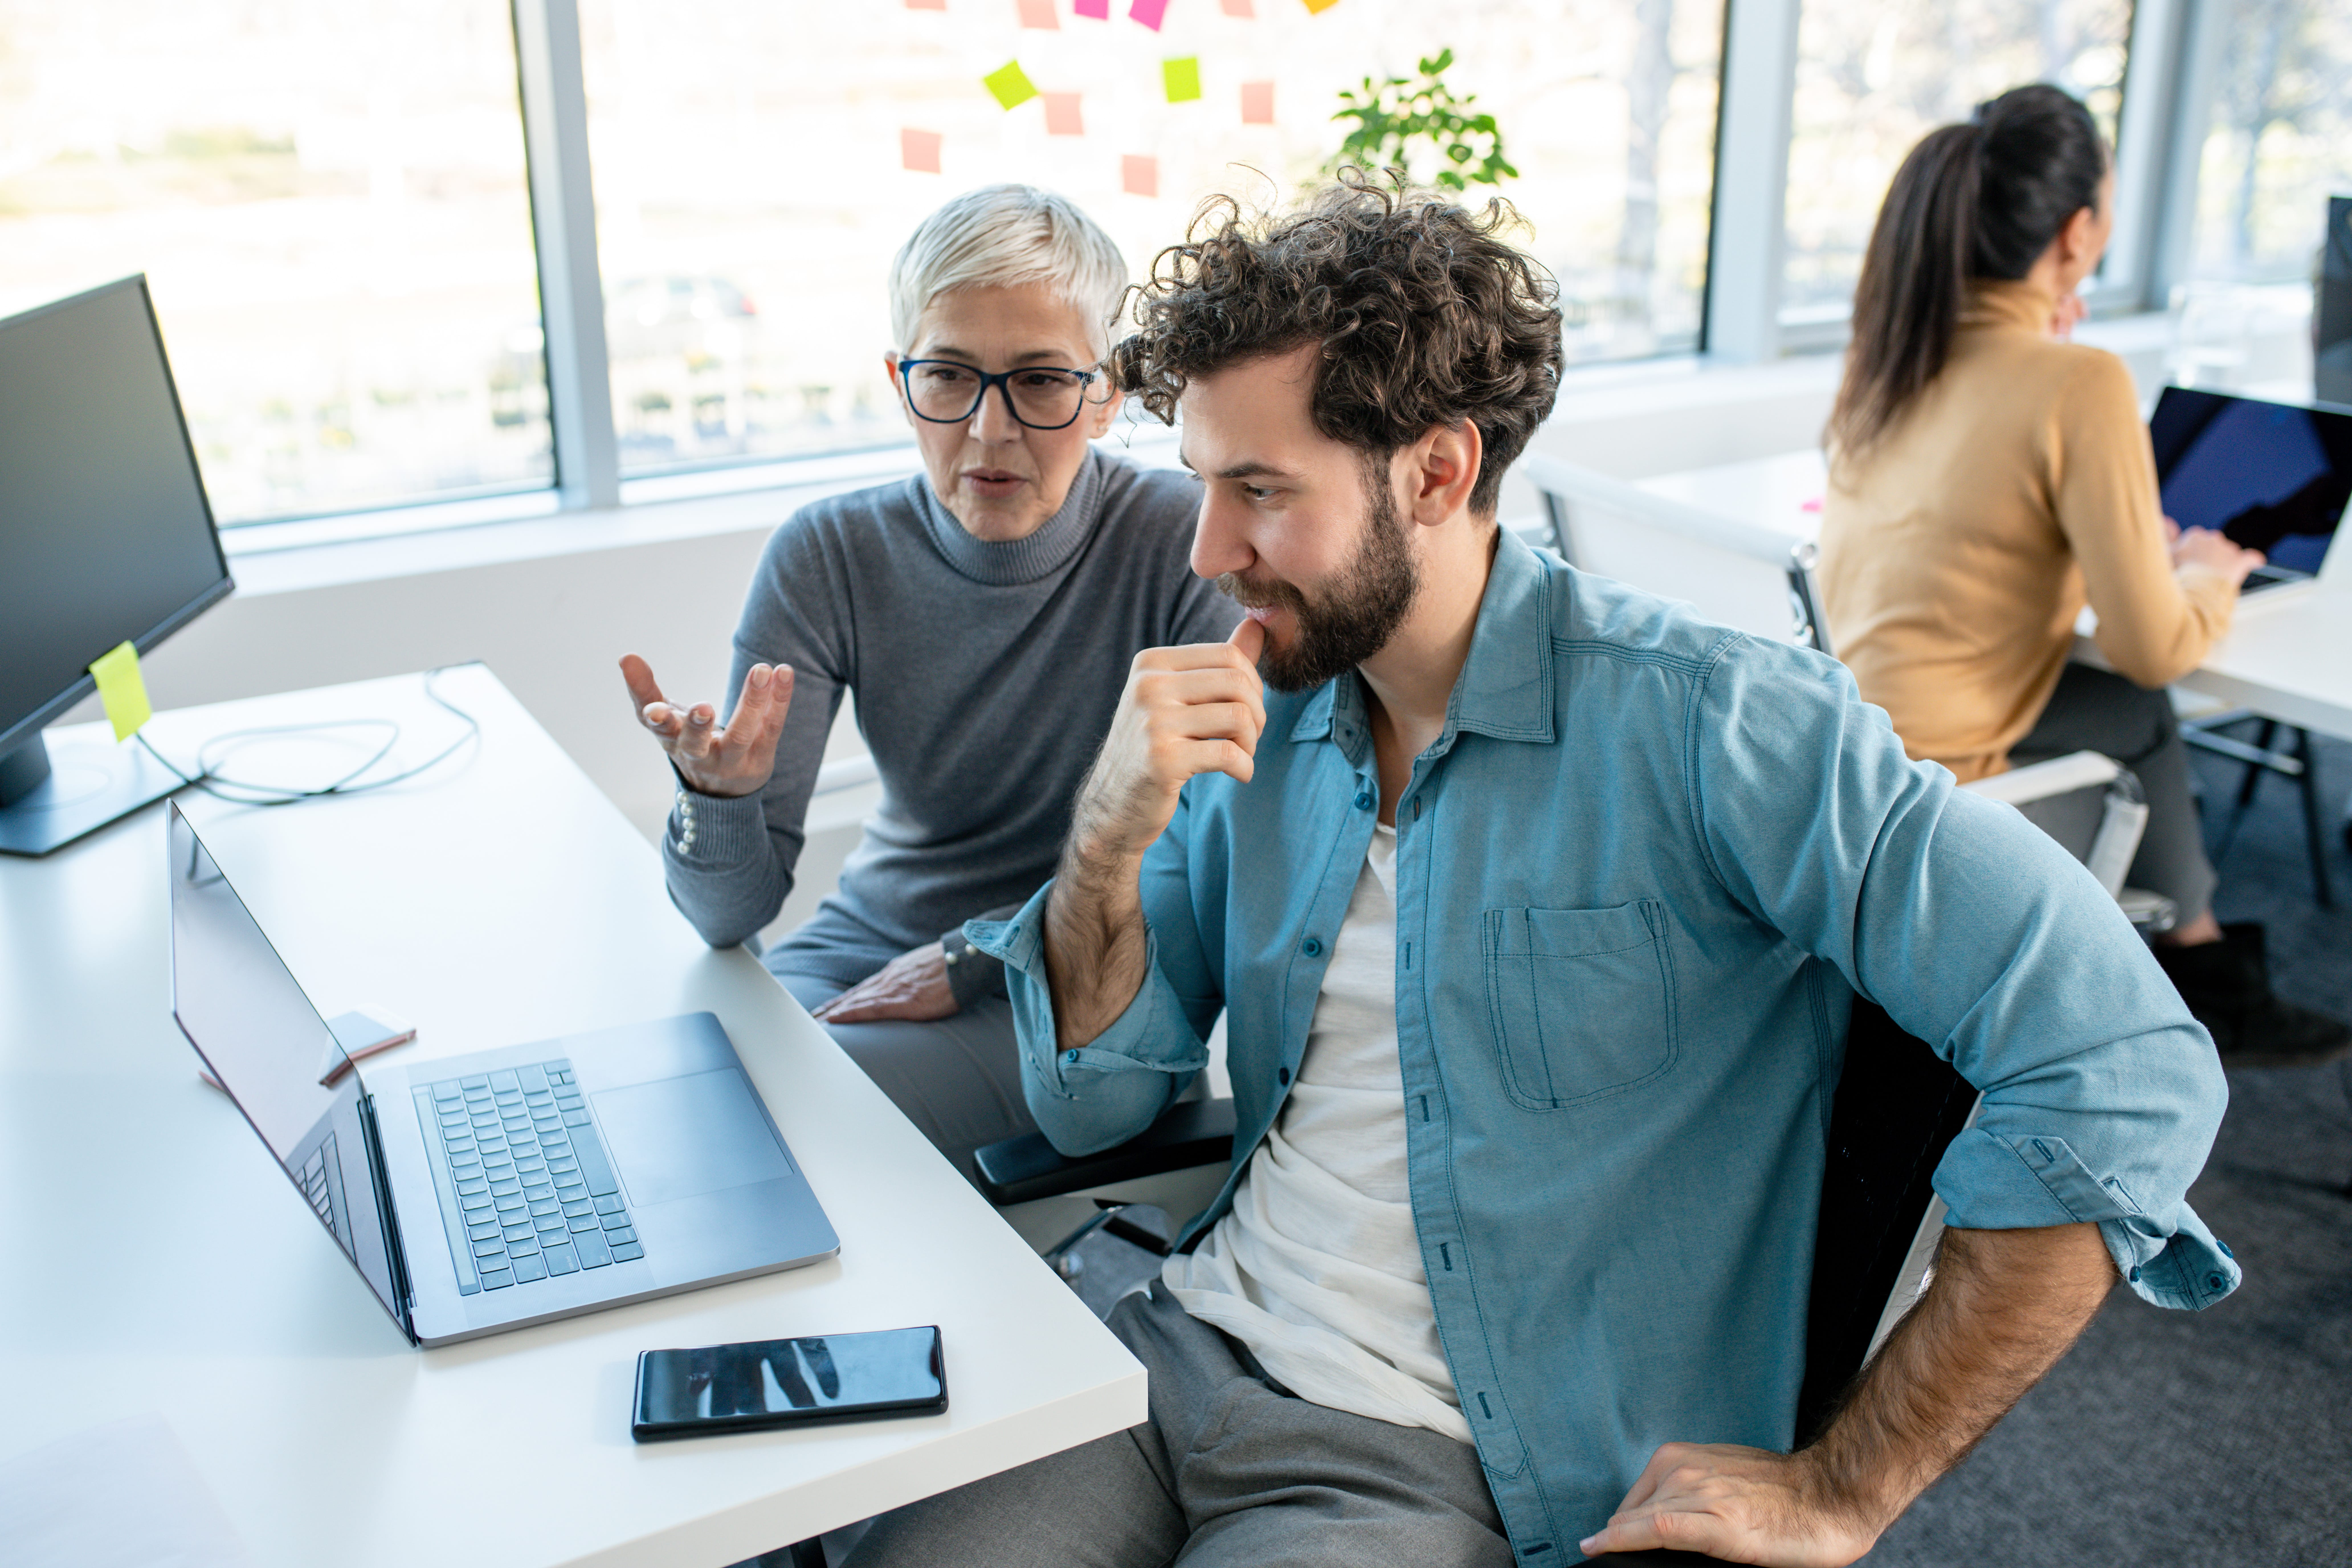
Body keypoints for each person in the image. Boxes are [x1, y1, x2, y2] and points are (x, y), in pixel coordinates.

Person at [841, 178, 2237, 1568]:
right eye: (1206, 484)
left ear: (1437, 473)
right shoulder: (1268, 711)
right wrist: (1105, 838)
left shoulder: (1718, 726)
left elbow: (2123, 1063)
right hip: (1164, 1353)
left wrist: (1848, 1482)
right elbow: (1097, 1106)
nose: (1212, 552)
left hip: (1429, 1461)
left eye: (1260, 490)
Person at [620, 185, 1237, 1183]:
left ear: (1108, 389)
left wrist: (974, 957)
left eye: (1039, 382)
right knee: (678, 1084)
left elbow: (1198, 871)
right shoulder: (829, 552)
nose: (990, 431)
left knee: (773, 1120)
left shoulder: (1184, 543)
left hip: (1082, 979)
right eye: (948, 376)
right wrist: (719, 802)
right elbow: (727, 916)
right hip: (875, 937)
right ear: (900, 377)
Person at [1814, 84, 2349, 1066]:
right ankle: (2207, 979)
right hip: (1956, 797)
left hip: (1853, 761)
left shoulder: (1892, 355)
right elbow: (2155, 646)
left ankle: (2206, 960)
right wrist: (2208, 570)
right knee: (2136, 692)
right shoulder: (2080, 383)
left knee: (2119, 714)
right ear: (2076, 232)